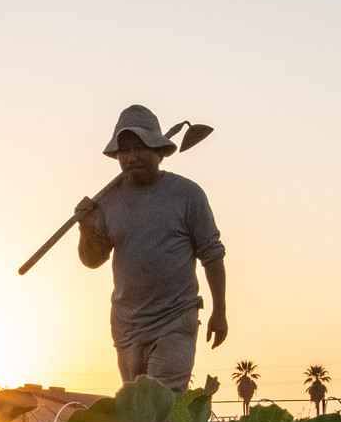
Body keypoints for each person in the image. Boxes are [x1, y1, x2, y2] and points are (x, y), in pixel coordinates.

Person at [73, 105, 227, 392]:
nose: (131, 158)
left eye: (140, 148)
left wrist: (220, 311)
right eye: (124, 151)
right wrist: (86, 227)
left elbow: (212, 254)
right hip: (126, 326)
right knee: (137, 416)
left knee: (159, 405)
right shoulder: (108, 201)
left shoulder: (187, 195)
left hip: (175, 318)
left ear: (159, 151)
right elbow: (93, 260)